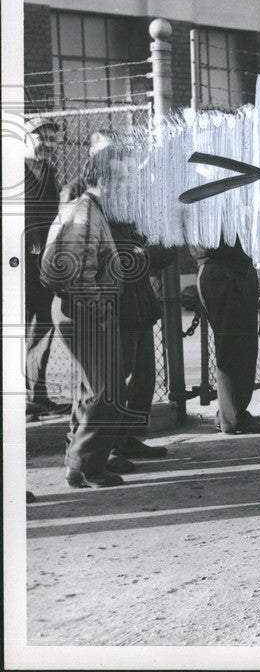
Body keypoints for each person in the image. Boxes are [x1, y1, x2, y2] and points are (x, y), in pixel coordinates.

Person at [41, 144, 132, 487]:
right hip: (83, 309)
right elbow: (78, 270)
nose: (124, 187)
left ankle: (81, 462)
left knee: (95, 389)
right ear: (101, 179)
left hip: (78, 308)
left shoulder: (86, 208)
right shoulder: (86, 212)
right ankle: (86, 465)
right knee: (107, 392)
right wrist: (98, 308)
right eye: (119, 179)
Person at [190, 234, 260, 434]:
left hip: (218, 268)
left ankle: (232, 413)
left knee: (234, 345)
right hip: (227, 270)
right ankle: (231, 416)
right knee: (237, 347)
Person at [109, 219, 174, 462]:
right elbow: (119, 260)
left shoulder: (134, 218)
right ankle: (107, 444)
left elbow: (167, 251)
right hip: (118, 309)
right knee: (116, 380)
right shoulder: (98, 215)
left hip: (140, 306)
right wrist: (143, 253)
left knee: (144, 378)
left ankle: (128, 439)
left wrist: (142, 253)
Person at [24, 117, 68, 418]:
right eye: (42, 138)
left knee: (42, 330)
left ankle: (36, 397)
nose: (48, 145)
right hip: (18, 265)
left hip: (43, 266)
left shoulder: (50, 171)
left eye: (53, 139)